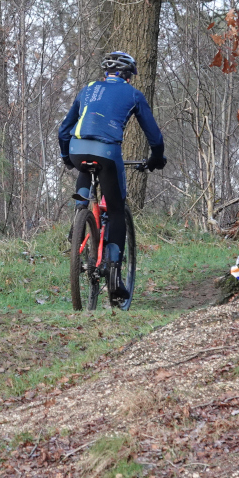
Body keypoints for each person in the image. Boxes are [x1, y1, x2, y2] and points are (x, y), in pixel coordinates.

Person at [57, 51, 166, 304]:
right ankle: (115, 278)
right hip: (107, 151)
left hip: (76, 148)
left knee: (85, 169)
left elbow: (64, 129)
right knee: (116, 209)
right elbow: (155, 137)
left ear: (106, 74)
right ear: (129, 76)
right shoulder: (133, 94)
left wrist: (66, 157)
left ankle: (79, 217)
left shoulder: (88, 89)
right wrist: (156, 159)